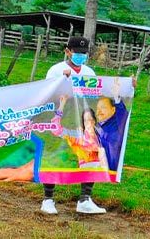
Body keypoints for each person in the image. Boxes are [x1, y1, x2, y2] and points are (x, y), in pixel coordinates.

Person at [41, 36, 105, 215]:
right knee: (54, 155)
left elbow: (96, 95)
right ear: (67, 51)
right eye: (77, 52)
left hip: (82, 120)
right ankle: (48, 199)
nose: (81, 56)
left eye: (84, 53)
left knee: (90, 156)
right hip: (60, 117)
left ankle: (85, 199)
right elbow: (48, 93)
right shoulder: (56, 70)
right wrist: (63, 81)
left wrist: (126, 87)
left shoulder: (89, 72)